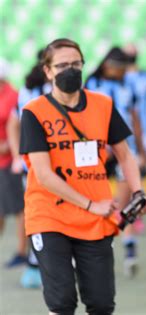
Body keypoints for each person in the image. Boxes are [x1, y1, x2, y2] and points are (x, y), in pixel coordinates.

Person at [19, 38, 146, 314]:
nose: (70, 70)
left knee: (102, 303)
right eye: (62, 65)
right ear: (48, 71)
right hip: (50, 215)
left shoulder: (102, 105)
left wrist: (138, 192)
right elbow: (43, 175)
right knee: (62, 301)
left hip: (96, 218)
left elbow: (125, 155)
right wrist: (91, 204)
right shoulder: (34, 112)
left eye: (76, 64)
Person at [86, 47, 146, 277]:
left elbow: (134, 118)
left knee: (124, 201)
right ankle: (101, 246)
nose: (122, 72)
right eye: (118, 68)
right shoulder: (91, 85)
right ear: (107, 66)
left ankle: (129, 246)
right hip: (98, 152)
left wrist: (140, 150)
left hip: (122, 150)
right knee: (99, 202)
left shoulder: (126, 86)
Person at [7, 50, 51, 288]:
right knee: (37, 213)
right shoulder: (29, 91)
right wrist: (17, 155)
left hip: (52, 166)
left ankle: (41, 263)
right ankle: (37, 263)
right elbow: (14, 123)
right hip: (36, 166)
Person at [0, 58, 28, 269]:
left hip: (9, 162)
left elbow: (16, 128)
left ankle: (22, 251)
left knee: (19, 209)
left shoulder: (13, 96)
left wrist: (8, 147)